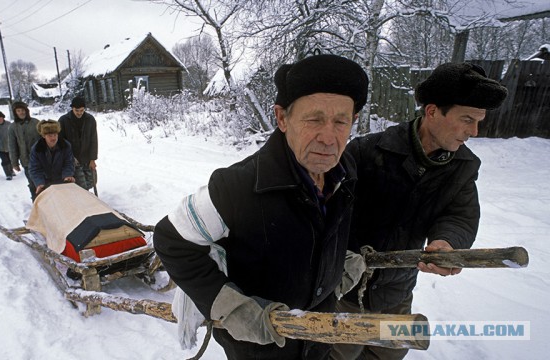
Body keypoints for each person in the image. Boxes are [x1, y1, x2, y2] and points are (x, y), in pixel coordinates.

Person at [153, 54, 369, 360]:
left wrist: (334, 272)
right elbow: (170, 238)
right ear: (282, 118)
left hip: (317, 341)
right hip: (260, 349)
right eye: (314, 119)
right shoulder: (238, 186)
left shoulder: (345, 174)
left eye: (340, 121)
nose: (328, 137)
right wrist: (233, 309)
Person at [330, 62, 508, 360]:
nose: (474, 131)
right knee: (337, 352)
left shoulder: (463, 167)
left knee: (387, 354)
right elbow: (327, 208)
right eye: (467, 119)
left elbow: (459, 215)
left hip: (397, 291)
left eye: (479, 121)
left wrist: (447, 243)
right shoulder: (367, 151)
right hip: (344, 289)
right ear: (433, 111)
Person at [58, 96, 98, 191]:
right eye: (77, 110)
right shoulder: (63, 120)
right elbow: (60, 141)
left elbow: (93, 139)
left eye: (82, 110)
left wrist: (93, 159)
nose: (79, 113)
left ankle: (85, 199)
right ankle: (83, 202)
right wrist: (70, 157)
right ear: (72, 108)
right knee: (81, 185)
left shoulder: (90, 119)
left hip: (87, 157)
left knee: (91, 182)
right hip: (73, 159)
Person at [28, 120, 75, 196]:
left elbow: (69, 162)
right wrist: (40, 183)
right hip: (45, 181)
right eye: (50, 135)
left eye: (55, 135)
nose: (53, 138)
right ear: (43, 136)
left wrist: (67, 175)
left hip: (61, 179)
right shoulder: (36, 149)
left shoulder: (65, 145)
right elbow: (35, 169)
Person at [8, 101, 40, 200]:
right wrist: (14, 163)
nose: (21, 112)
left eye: (23, 110)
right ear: (15, 112)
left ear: (26, 111)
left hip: (41, 158)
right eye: (18, 111)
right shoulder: (13, 127)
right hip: (26, 160)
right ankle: (36, 202)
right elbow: (12, 146)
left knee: (44, 182)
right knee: (32, 183)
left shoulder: (36, 122)